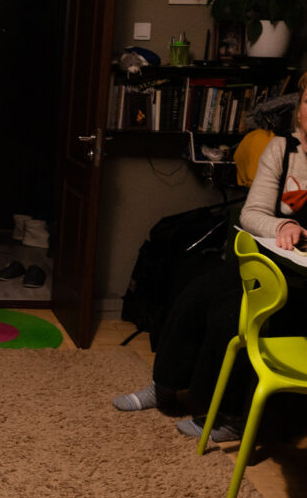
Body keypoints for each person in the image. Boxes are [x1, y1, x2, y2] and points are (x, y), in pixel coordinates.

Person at [113, 74, 307, 441]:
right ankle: (164, 386)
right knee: (197, 286)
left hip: (300, 284)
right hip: (265, 265)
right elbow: (252, 213)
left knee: (232, 315)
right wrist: (282, 224)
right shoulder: (281, 149)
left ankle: (226, 414)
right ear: (299, 111)